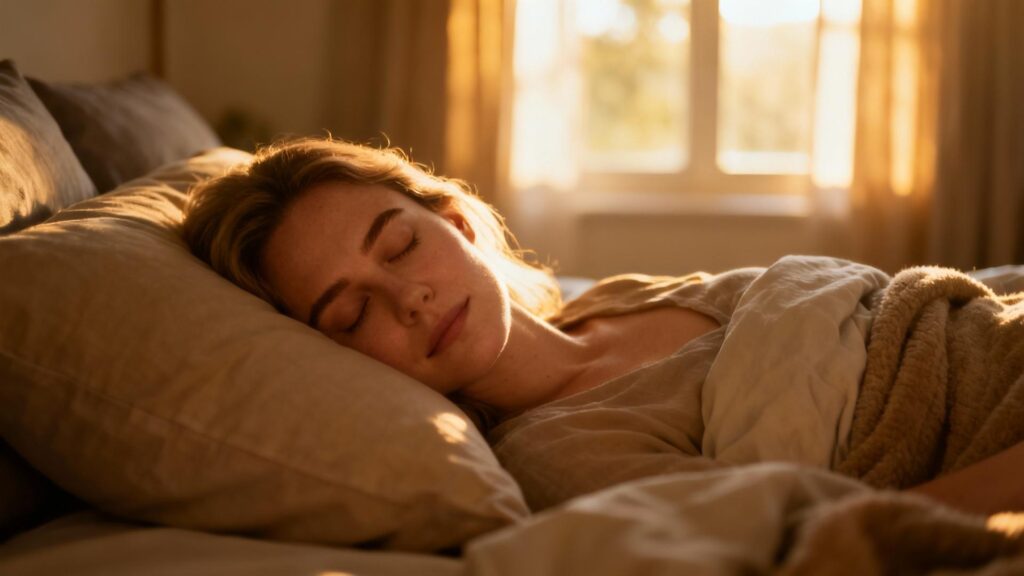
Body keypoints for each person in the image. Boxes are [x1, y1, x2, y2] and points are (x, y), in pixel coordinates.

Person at [183, 136, 1024, 516]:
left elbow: (858, 307)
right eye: (352, 311)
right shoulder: (554, 457)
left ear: (458, 224)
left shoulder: (611, 298)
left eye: (401, 245)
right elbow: (838, 534)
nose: (409, 300)